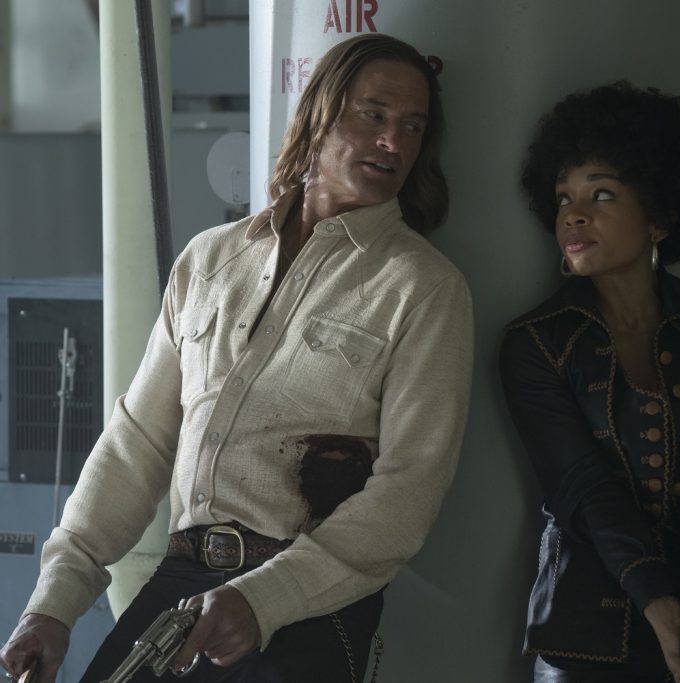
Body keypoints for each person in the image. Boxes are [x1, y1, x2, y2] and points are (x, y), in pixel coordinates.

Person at [0, 33, 472, 683]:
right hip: (181, 584)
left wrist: (263, 599)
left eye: (412, 127)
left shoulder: (423, 286)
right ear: (318, 113)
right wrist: (52, 604)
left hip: (307, 598)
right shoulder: (210, 259)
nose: (393, 141)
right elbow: (135, 446)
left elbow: (408, 490)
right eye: (374, 115)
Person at [499, 82, 680, 683]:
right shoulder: (536, 343)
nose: (573, 214)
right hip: (586, 632)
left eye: (601, 193)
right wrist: (660, 605)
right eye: (563, 198)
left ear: (658, 217)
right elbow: (582, 487)